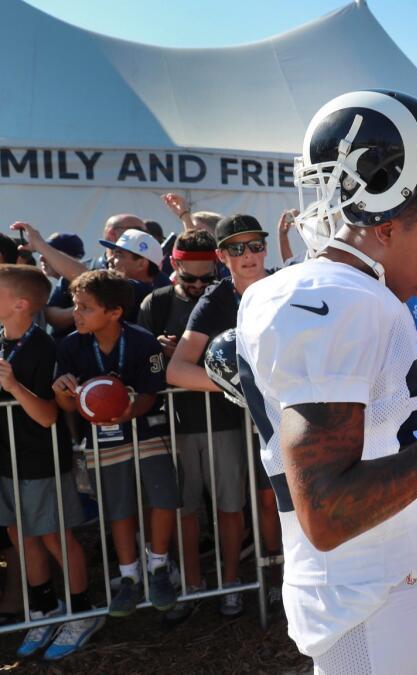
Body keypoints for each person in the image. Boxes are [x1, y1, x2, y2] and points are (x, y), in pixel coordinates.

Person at [236, 89, 417, 672]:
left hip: (373, 584)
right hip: (363, 593)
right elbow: (329, 511)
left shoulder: (329, 292)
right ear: (384, 227)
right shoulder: (338, 298)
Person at [165, 214, 281, 612]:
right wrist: (239, 386)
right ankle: (271, 579)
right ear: (221, 255)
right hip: (239, 423)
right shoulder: (214, 300)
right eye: (236, 247)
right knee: (263, 501)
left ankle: (287, 578)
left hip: (294, 417)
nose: (248, 255)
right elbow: (177, 369)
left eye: (256, 245)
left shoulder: (286, 285)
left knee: (280, 501)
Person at [52, 270, 180, 617]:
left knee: (163, 497)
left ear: (115, 312)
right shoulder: (69, 345)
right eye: (75, 306)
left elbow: (152, 392)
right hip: (102, 438)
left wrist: (127, 410)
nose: (75, 314)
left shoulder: (143, 341)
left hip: (148, 432)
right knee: (118, 507)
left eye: (85, 308)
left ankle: (159, 567)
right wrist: (63, 393)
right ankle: (128, 577)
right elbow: (67, 406)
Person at [140, 229, 248, 622]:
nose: (200, 285)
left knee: (229, 506)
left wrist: (188, 362)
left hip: (225, 421)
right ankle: (192, 584)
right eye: (191, 279)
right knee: (185, 509)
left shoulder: (225, 297)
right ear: (175, 266)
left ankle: (233, 584)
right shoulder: (156, 302)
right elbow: (147, 367)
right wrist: (161, 353)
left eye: (208, 277)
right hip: (178, 425)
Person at [0, 265, 103, 660]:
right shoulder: (4, 342)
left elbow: (47, 415)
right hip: (6, 461)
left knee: (55, 537)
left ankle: (82, 612)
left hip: (41, 460)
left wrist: (13, 386)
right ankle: (44, 609)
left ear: (21, 304)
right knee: (20, 538)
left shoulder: (45, 347)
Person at [39, 233, 87, 342]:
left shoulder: (86, 280)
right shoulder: (59, 282)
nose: (41, 258)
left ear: (70, 258)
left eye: (50, 253)